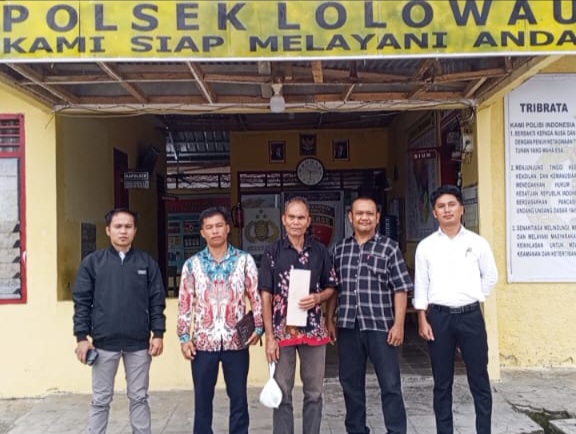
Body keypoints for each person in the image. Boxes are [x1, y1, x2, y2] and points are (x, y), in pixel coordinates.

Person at [413, 185, 498, 434]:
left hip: (471, 317)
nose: (447, 210)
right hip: (439, 318)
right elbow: (421, 285)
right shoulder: (426, 246)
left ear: (462, 209)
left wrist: (474, 296)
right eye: (441, 206)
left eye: (452, 205)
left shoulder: (477, 243)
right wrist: (422, 319)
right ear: (435, 213)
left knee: (479, 379)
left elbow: (490, 276)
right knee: (442, 383)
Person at [73, 208, 166, 434]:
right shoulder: (93, 263)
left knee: (139, 397)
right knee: (100, 399)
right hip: (104, 344)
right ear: (108, 230)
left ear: (135, 230)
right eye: (118, 226)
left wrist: (158, 333)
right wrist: (82, 338)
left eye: (128, 227)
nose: (123, 231)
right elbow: (82, 302)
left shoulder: (146, 263)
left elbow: (157, 300)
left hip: (139, 344)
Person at [328, 196, 412, 434]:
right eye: (359, 213)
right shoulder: (340, 250)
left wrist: (399, 324)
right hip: (348, 327)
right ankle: (356, 429)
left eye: (369, 213)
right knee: (350, 384)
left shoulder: (389, 248)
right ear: (350, 217)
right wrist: (329, 319)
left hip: (381, 328)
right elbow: (334, 288)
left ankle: (396, 430)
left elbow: (400, 288)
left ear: (377, 218)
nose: (364, 217)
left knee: (390, 384)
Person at [177, 207, 263, 434]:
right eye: (209, 227)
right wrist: (184, 337)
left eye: (218, 226)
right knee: (202, 400)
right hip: (202, 344)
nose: (214, 231)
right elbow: (185, 303)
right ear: (202, 232)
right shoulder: (192, 265)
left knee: (239, 398)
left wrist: (259, 327)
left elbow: (255, 297)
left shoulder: (244, 261)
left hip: (236, 342)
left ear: (227, 228)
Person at [259, 197, 337, 434]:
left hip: (313, 329)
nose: (296, 222)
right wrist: (269, 336)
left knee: (314, 392)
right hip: (281, 331)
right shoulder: (272, 252)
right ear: (284, 219)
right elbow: (265, 295)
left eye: (301, 217)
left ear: (308, 221)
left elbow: (332, 287)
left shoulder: (320, 251)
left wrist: (318, 298)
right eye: (291, 217)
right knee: (282, 393)